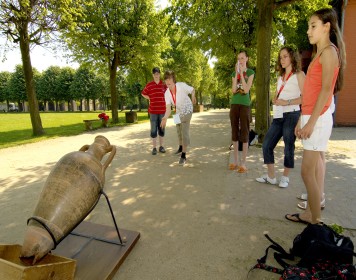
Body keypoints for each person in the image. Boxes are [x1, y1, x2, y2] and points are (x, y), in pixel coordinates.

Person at [285, 8, 345, 225]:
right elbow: (310, 92)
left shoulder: (329, 52)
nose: (309, 31)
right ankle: (311, 213)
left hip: (318, 119)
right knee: (309, 171)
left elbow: (325, 90)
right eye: (308, 26)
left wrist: (310, 122)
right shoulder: (319, 53)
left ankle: (315, 220)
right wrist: (303, 118)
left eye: (313, 26)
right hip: (312, 116)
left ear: (326, 27)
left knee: (306, 172)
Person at [256, 46, 305, 188]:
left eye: (285, 56)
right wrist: (275, 98)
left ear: (292, 58)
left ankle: (285, 177)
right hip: (278, 115)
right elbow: (279, 94)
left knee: (288, 146)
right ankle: (271, 176)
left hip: (292, 114)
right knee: (266, 144)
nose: (282, 59)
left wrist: (287, 102)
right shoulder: (280, 77)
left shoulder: (299, 75)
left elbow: (306, 98)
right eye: (280, 57)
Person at [160, 70, 196, 166]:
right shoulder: (166, 93)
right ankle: (180, 147)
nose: (168, 82)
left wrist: (193, 96)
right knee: (178, 130)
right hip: (177, 111)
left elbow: (192, 90)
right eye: (166, 80)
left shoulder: (181, 85)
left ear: (173, 80)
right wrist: (164, 118)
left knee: (184, 131)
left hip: (187, 109)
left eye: (170, 79)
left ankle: (183, 155)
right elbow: (168, 109)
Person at [229, 50, 255, 173]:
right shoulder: (234, 73)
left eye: (242, 58)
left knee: (244, 133)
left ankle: (243, 163)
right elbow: (234, 90)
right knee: (234, 132)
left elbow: (245, 89)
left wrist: (242, 73)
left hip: (245, 105)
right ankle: (235, 161)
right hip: (234, 104)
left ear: (247, 59)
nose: (240, 60)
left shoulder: (250, 72)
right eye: (238, 58)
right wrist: (237, 74)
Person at [142, 67, 167, 155]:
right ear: (153, 75)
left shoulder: (164, 85)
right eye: (155, 74)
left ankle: (161, 146)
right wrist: (149, 97)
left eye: (158, 74)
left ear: (159, 74)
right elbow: (143, 93)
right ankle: (154, 148)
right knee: (153, 130)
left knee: (162, 129)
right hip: (153, 111)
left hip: (162, 111)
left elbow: (169, 94)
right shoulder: (149, 85)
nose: (156, 75)